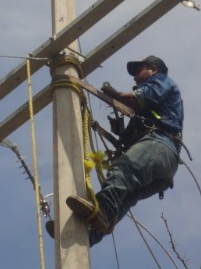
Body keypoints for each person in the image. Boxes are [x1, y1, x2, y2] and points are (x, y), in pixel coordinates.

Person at [47, 55, 184, 246]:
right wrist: (122, 132)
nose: (135, 77)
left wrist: (116, 95)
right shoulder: (150, 111)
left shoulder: (161, 81)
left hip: (160, 147)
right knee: (125, 196)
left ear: (154, 70)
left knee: (122, 170)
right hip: (163, 170)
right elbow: (141, 116)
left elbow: (136, 100)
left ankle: (101, 210)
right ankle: (89, 235)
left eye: (139, 70)